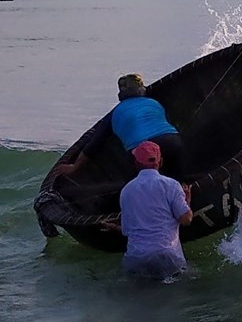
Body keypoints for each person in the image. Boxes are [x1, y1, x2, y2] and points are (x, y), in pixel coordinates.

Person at [55, 73, 185, 180]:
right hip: (172, 141)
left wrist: (74, 167)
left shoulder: (115, 113)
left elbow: (94, 144)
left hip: (140, 149)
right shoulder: (153, 103)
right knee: (179, 179)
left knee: (137, 183)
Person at [107, 141, 193, 280]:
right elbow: (186, 220)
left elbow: (127, 230)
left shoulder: (126, 191)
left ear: (136, 164)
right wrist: (187, 202)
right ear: (161, 162)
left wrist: (114, 227)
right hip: (167, 256)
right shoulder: (171, 185)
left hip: (136, 258)